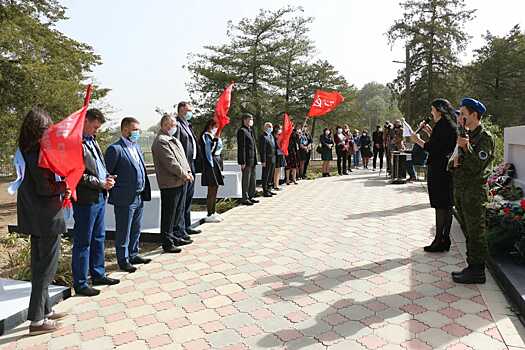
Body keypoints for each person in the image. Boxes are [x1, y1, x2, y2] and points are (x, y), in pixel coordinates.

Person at [16, 107, 70, 335]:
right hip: (46, 216)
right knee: (45, 269)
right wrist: (63, 186)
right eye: (48, 127)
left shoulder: (25, 149)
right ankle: (37, 321)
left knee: (40, 265)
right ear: (40, 129)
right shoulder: (38, 152)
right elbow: (45, 187)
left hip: (34, 216)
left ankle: (45, 309)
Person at [72, 109, 120, 297]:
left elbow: (98, 167)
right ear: (85, 122)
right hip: (86, 199)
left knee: (99, 237)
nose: (96, 131)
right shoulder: (76, 144)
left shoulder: (93, 142)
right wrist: (100, 182)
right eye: (94, 127)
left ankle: (98, 273)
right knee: (83, 241)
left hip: (100, 196)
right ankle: (81, 282)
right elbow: (77, 175)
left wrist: (107, 177)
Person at [449, 98, 495, 284]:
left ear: (474, 115)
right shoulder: (465, 135)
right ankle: (471, 266)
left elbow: (477, 165)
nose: (460, 117)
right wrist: (454, 161)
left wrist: (465, 146)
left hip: (475, 193)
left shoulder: (485, 138)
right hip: (461, 190)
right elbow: (454, 163)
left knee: (476, 232)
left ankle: (478, 271)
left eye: (463, 114)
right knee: (468, 230)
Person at [104, 117, 152, 273]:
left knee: (136, 228)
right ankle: (123, 260)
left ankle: (133, 253)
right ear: (125, 130)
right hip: (124, 198)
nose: (137, 132)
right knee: (123, 231)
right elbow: (107, 174)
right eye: (134, 129)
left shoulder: (136, 147)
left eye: (138, 129)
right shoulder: (115, 149)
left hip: (138, 196)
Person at [411, 99, 458, 253]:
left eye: (432, 109)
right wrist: (431, 132)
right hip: (446, 168)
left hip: (439, 169)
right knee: (447, 205)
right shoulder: (448, 123)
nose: (431, 112)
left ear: (439, 110)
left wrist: (417, 140)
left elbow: (433, 148)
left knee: (440, 205)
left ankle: (438, 240)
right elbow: (443, 142)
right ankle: (445, 239)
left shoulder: (443, 125)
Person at [151, 114, 194, 252]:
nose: (174, 127)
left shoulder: (173, 139)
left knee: (178, 212)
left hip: (181, 181)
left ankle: (176, 236)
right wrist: (183, 174)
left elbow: (183, 159)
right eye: (172, 125)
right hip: (170, 183)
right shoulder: (161, 141)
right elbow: (171, 163)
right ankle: (167, 242)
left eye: (175, 125)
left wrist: (188, 172)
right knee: (169, 215)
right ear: (164, 125)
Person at [175, 102, 201, 235]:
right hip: (185, 166)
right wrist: (183, 168)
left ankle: (187, 225)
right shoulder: (178, 125)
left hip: (192, 164)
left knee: (189, 197)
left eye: (191, 110)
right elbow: (177, 148)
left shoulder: (188, 125)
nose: (189, 113)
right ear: (180, 111)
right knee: (183, 199)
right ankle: (181, 229)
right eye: (187, 110)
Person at [199, 119, 225, 222]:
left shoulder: (214, 136)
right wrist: (216, 139)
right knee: (211, 188)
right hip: (211, 163)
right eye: (215, 126)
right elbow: (209, 151)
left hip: (217, 161)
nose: (217, 129)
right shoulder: (206, 136)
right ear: (210, 126)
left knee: (215, 188)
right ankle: (209, 213)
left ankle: (213, 211)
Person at [237, 113, 259, 205]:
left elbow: (253, 146)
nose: (251, 121)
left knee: (252, 179)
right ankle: (244, 197)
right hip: (246, 160)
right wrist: (242, 162)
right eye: (250, 119)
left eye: (252, 119)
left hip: (253, 159)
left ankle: (251, 195)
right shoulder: (242, 131)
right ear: (245, 120)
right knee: (246, 179)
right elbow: (242, 148)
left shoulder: (250, 130)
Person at [259, 122, 277, 197]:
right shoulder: (263, 136)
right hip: (267, 159)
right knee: (266, 175)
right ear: (265, 127)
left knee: (271, 175)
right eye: (269, 126)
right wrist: (263, 160)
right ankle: (265, 190)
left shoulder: (271, 136)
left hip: (273, 158)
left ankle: (269, 189)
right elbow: (262, 150)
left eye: (271, 126)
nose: (271, 128)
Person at [273, 125, 286, 191]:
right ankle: (275, 185)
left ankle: (277, 184)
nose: (280, 129)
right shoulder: (274, 136)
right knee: (276, 170)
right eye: (279, 128)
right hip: (276, 154)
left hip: (281, 153)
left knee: (279, 170)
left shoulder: (280, 135)